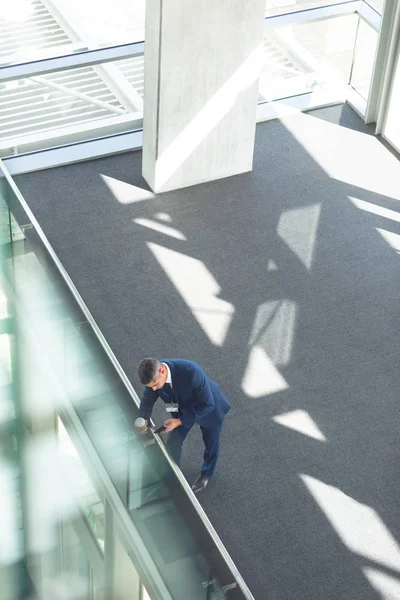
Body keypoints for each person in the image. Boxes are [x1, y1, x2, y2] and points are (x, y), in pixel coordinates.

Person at [137, 358, 231, 493]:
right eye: (150, 387)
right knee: (173, 442)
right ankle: (172, 476)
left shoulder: (191, 372)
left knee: (211, 444)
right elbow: (146, 401)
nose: (154, 389)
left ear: (162, 371)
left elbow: (207, 405)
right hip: (179, 407)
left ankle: (206, 474)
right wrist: (143, 419)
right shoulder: (153, 376)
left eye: (155, 385)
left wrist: (179, 421)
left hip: (207, 407)